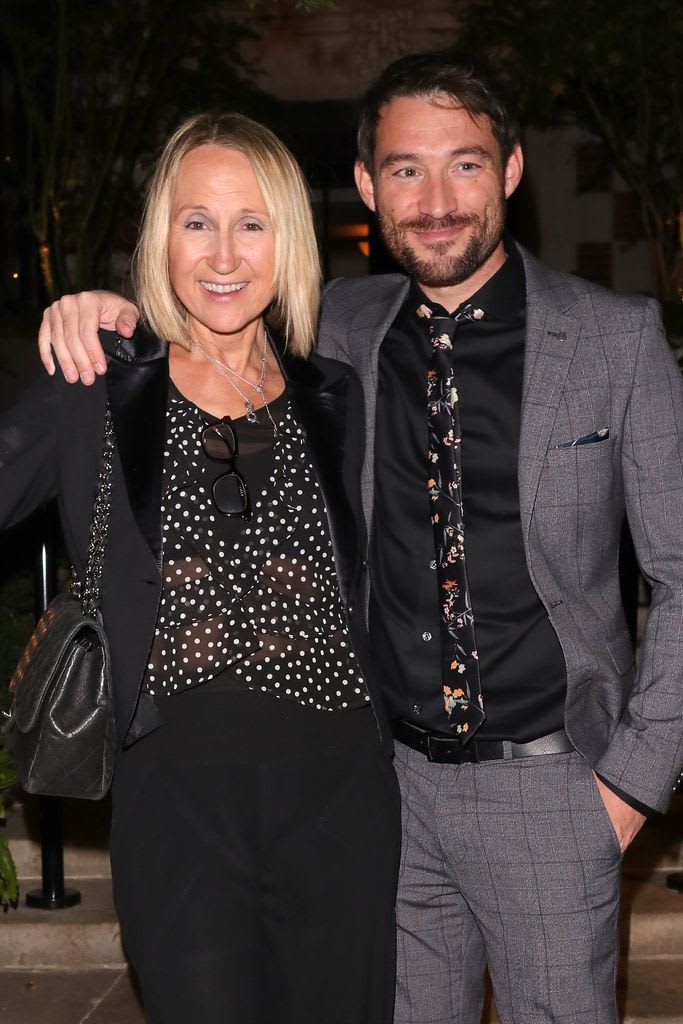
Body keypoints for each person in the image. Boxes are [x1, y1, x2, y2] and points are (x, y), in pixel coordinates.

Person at [37, 51, 683, 1024]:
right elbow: (210, 313)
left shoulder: (614, 338)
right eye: (403, 170)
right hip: (391, 795)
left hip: (551, 789)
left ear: (509, 170)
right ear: (365, 186)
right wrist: (105, 312)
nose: (433, 199)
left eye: (463, 164)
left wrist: (630, 783)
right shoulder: (339, 329)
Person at [2, 112, 401, 1024]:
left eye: (250, 223)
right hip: (176, 800)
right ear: (161, 237)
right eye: (196, 222)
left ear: (286, 239)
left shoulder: (333, 388)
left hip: (341, 793)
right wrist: (77, 305)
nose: (223, 254)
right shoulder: (99, 380)